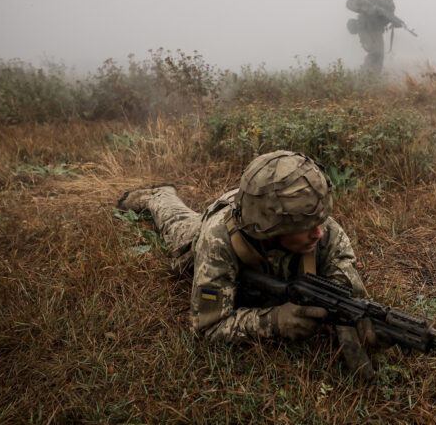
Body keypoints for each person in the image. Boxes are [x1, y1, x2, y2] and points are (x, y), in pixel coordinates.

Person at [116, 150, 384, 379]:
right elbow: (208, 326)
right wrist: (273, 322)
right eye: (306, 227)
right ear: (272, 229)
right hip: (205, 233)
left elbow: (344, 277)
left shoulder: (316, 222)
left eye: (320, 221)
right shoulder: (218, 240)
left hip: (256, 211)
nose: (320, 233)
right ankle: (159, 196)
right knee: (177, 223)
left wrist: (351, 318)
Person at [346, 0, 397, 73]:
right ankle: (362, 78)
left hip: (377, 30)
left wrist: (394, 21)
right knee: (374, 53)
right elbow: (350, 3)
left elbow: (390, 13)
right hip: (364, 28)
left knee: (380, 58)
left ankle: (374, 82)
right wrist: (366, 9)